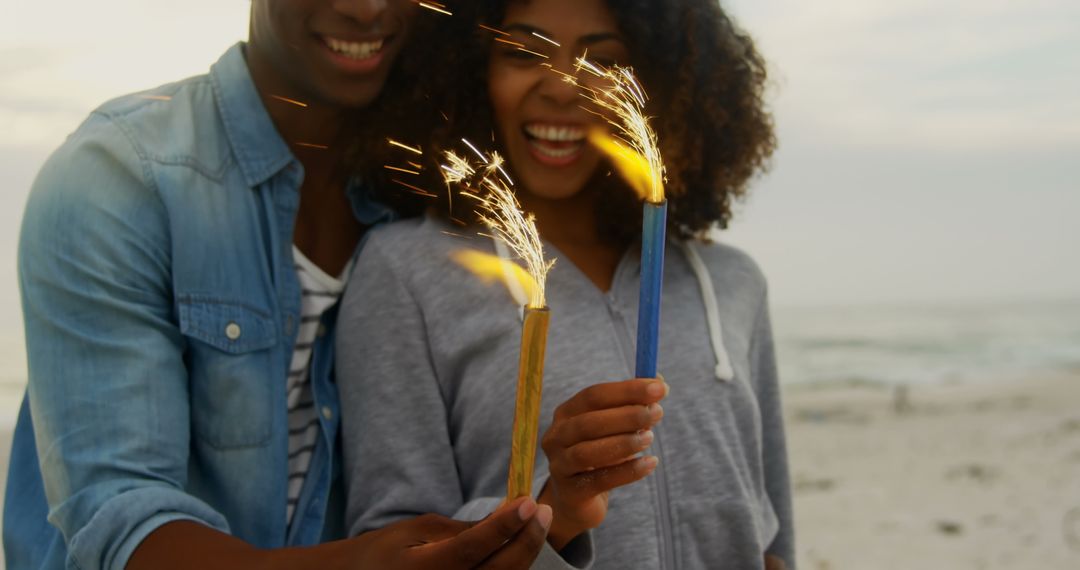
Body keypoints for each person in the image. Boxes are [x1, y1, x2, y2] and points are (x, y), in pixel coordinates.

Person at [4, 1, 564, 568]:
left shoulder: (427, 196)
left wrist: (555, 511)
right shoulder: (121, 176)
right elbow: (119, 519)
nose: (365, 8)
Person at [335, 0, 795, 568]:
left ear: (661, 85)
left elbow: (772, 533)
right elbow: (395, 543)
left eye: (602, 62)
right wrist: (558, 512)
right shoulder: (406, 270)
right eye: (524, 53)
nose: (562, 88)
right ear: (472, 70)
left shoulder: (733, 281)